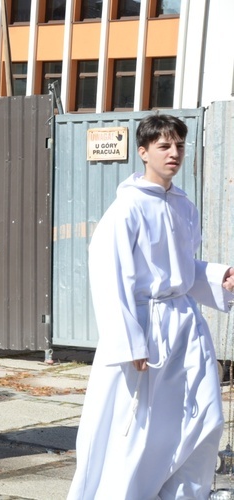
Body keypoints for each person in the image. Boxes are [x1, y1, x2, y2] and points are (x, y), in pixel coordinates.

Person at [67, 114, 234, 499]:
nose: (174, 153)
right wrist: (129, 342)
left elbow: (181, 269)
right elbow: (110, 277)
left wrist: (218, 276)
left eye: (179, 145)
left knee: (203, 417)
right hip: (146, 330)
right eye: (164, 146)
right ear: (143, 152)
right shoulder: (126, 210)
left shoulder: (182, 205)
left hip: (185, 326)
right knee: (140, 429)